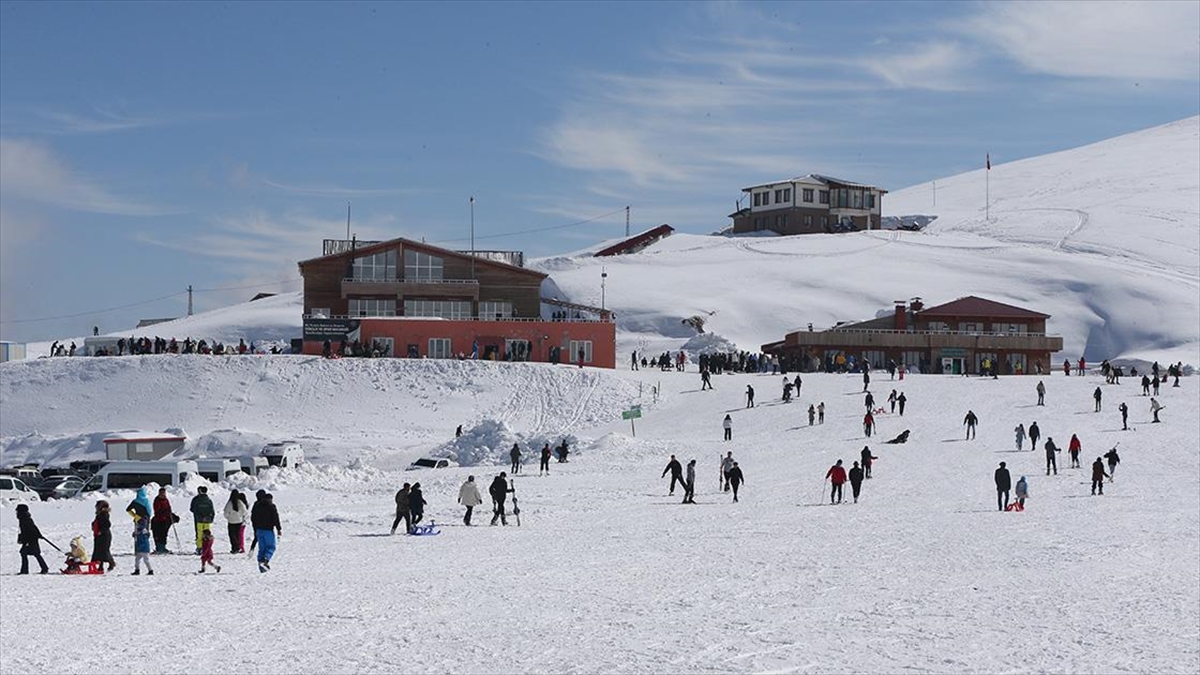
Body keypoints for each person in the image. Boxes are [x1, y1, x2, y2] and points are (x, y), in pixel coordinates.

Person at [251, 491, 281, 572]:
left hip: (258, 530)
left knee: (262, 548)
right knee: (271, 546)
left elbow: (253, 518)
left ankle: (261, 564)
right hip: (268, 530)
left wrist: (255, 529)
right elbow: (276, 518)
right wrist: (278, 529)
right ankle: (265, 560)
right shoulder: (271, 506)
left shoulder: (257, 505)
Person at [16, 504, 50, 575]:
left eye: (17, 510)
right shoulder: (24, 518)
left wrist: (37, 536)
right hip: (29, 540)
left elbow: (32, 529)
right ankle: (43, 568)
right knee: (32, 554)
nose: (16, 512)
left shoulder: (25, 519)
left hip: (30, 540)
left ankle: (25, 570)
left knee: (27, 553)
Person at [190, 486, 215, 555]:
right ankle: (207, 547)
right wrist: (210, 518)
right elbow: (212, 511)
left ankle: (200, 548)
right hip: (207, 520)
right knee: (207, 534)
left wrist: (200, 516)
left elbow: (193, 509)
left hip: (199, 520)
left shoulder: (196, 500)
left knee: (199, 534)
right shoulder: (209, 500)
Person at [92, 500, 116, 572]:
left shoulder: (104, 514)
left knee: (104, 551)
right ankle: (100, 566)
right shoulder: (99, 514)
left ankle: (111, 563)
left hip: (104, 535)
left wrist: (101, 531)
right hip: (99, 536)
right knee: (99, 551)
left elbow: (107, 524)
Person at [151, 487, 175, 554]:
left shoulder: (166, 500)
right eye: (161, 493)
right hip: (158, 520)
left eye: (164, 493)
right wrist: (165, 511)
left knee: (164, 534)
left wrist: (169, 512)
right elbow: (157, 510)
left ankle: (163, 547)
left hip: (165, 519)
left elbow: (168, 507)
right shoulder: (157, 500)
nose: (163, 494)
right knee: (159, 534)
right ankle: (159, 547)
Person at [224, 489, 249, 554]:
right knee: (238, 535)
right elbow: (245, 512)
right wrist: (240, 516)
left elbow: (225, 513)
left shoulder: (229, 503)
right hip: (239, 521)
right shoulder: (240, 502)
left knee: (232, 536)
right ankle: (239, 547)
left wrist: (228, 517)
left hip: (231, 521)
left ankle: (234, 548)